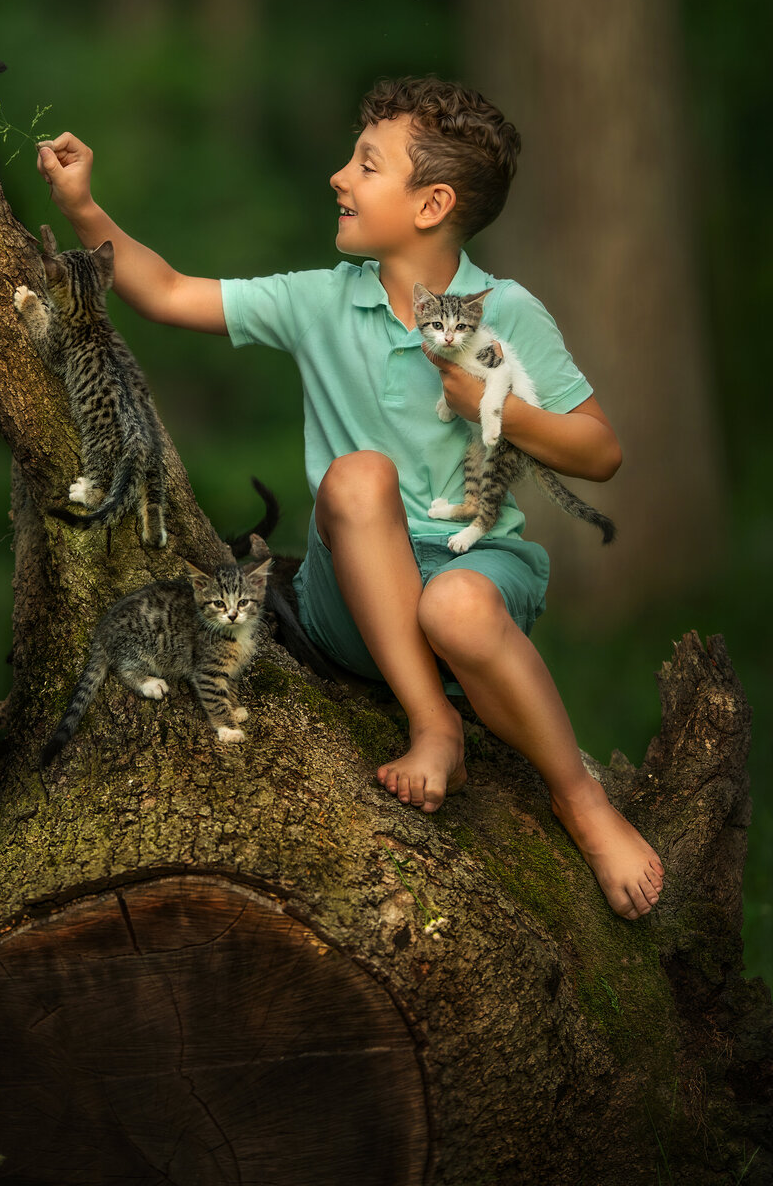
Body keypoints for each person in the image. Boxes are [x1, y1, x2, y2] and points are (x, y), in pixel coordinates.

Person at [34, 75, 664, 921]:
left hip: (476, 581)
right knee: (358, 476)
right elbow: (170, 291)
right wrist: (83, 208)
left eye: (367, 166)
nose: (339, 176)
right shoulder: (322, 300)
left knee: (461, 608)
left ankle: (581, 800)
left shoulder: (507, 311)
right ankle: (433, 725)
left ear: (432, 203)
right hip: (353, 602)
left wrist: (500, 411)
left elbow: (601, 451)